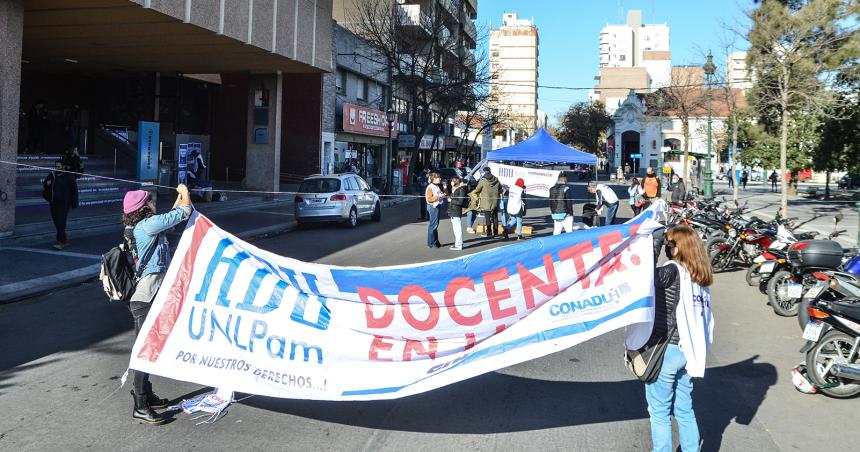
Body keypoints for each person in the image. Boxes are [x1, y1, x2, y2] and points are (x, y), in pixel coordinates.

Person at [121, 184, 193, 424]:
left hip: (149, 296)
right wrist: (185, 192)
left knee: (149, 349)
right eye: (150, 201)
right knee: (145, 351)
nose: (154, 203)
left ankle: (147, 394)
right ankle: (140, 404)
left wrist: (178, 199)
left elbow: (169, 220)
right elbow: (183, 213)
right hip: (146, 298)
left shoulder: (141, 226)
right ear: (143, 208)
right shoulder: (146, 226)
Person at [646, 225, 714, 452]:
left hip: (667, 350)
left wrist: (653, 244)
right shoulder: (699, 276)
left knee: (660, 411)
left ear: (678, 248)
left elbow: (644, 276)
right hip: (691, 350)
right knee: (685, 409)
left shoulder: (672, 271)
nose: (667, 246)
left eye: (669, 243)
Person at [43, 160, 79, 250]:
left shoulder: (69, 176)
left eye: (59, 166)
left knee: (61, 222)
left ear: (64, 166)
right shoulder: (52, 175)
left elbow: (74, 190)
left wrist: (74, 203)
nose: (57, 168)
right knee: (56, 222)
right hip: (53, 202)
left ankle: (61, 242)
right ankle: (64, 239)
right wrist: (47, 184)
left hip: (64, 204)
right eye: (56, 166)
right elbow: (45, 184)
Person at [471, 167, 501, 238]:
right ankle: (496, 233)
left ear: (484, 172)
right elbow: (500, 189)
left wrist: (474, 193)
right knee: (495, 218)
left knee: (487, 218)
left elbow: (477, 189)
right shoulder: (496, 179)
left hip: (486, 202)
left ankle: (489, 233)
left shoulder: (483, 181)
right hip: (495, 202)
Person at [425, 172, 445, 248]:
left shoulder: (436, 186)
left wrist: (442, 195)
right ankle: (431, 243)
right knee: (433, 225)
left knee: (435, 225)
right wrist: (438, 196)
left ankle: (435, 242)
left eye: (439, 177)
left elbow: (438, 194)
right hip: (433, 207)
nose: (440, 179)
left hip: (437, 206)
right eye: (438, 178)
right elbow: (429, 199)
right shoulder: (430, 187)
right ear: (434, 179)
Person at [447, 177, 468, 250]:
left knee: (457, 229)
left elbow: (460, 201)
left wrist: (451, 200)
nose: (451, 182)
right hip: (453, 210)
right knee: (455, 229)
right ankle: (457, 244)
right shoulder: (456, 189)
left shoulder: (461, 190)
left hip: (456, 211)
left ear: (455, 182)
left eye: (452, 181)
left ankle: (459, 245)